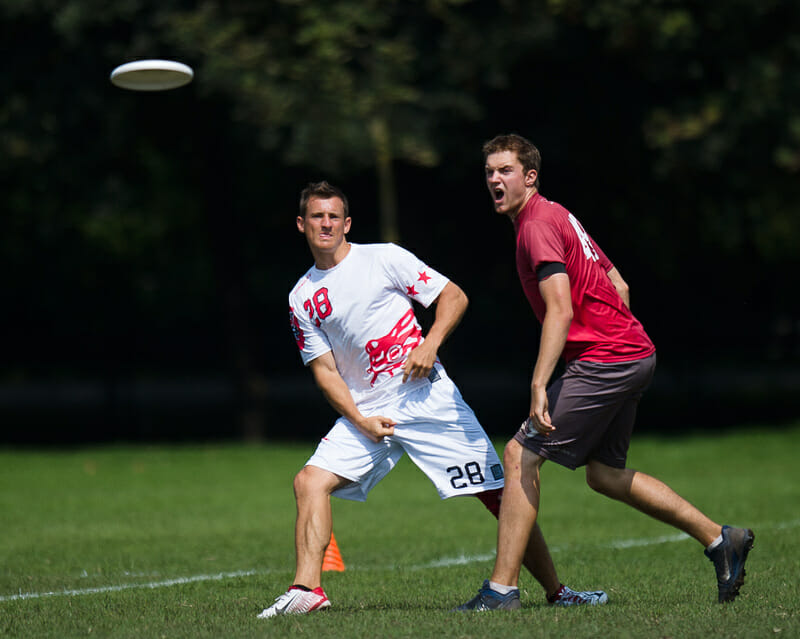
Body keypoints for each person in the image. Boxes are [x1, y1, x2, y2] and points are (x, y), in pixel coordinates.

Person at [258, 180, 607, 618]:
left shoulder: (383, 257)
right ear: (301, 224)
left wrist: (431, 344)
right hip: (367, 410)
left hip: (426, 398)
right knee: (309, 481)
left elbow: (454, 297)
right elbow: (325, 373)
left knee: (499, 497)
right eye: (316, 216)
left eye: (333, 216)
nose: (325, 224)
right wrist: (360, 420)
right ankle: (308, 590)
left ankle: (557, 592)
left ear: (347, 223)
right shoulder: (302, 296)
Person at [456, 134, 754, 611]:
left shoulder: (535, 226)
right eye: (489, 171)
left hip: (609, 358)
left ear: (529, 177)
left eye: (505, 170)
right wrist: (617, 341)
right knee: (604, 475)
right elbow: (619, 283)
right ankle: (722, 540)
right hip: (632, 353)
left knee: (519, 455)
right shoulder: (559, 215)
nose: (494, 179)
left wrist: (541, 384)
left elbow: (560, 311)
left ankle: (501, 590)